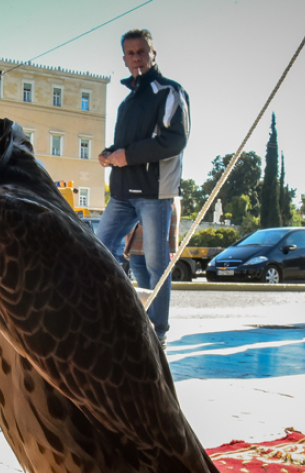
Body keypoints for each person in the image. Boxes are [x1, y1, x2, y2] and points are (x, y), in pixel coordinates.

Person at [96, 29, 190, 348]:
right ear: (124, 59)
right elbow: (127, 144)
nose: (136, 57)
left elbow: (176, 140)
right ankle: (121, 307)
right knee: (96, 248)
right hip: (122, 193)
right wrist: (111, 153)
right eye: (130, 53)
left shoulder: (170, 92)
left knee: (155, 264)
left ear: (153, 53)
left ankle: (158, 330)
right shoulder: (127, 102)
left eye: (141, 51)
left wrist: (128, 155)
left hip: (154, 193)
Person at [124, 198, 180, 291]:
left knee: (154, 292)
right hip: (136, 248)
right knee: (150, 293)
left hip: (142, 248)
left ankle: (154, 305)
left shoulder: (167, 194)